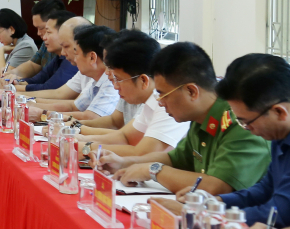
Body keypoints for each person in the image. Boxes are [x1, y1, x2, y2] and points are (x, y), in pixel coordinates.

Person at [98, 42, 271, 195]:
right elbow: (175, 159)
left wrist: (153, 170)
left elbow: (217, 186)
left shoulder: (240, 122)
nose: (160, 103)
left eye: (163, 95)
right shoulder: (201, 117)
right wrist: (124, 163)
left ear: (191, 91)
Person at [206, 54, 290, 227]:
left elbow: (283, 212)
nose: (247, 129)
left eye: (246, 122)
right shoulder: (282, 130)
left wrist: (211, 217)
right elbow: (266, 189)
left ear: (279, 112)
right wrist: (217, 202)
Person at [74, 30, 189, 160]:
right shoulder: (151, 100)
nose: (115, 86)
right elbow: (125, 137)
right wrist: (79, 138)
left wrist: (85, 147)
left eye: (118, 79)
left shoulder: (168, 103)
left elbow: (142, 154)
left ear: (143, 81)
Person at [28, 24, 118, 121]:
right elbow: (74, 106)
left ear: (92, 57)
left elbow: (91, 117)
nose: (75, 59)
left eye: (76, 54)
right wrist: (30, 103)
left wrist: (43, 114)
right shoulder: (95, 79)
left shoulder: (111, 80)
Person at [3, 0, 66, 81]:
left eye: (42, 28)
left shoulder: (70, 55)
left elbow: (52, 87)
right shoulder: (46, 44)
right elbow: (33, 65)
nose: (38, 33)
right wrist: (13, 73)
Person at [17, 11, 81, 93]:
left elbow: (51, 89)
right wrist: (16, 82)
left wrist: (14, 88)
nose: (44, 37)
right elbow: (37, 79)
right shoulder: (59, 57)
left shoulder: (73, 59)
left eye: (48, 32)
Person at [0, 9, 37, 76]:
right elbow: (5, 67)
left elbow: (3, 74)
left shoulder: (25, 46)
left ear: (12, 29)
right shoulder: (19, 43)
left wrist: (1, 50)